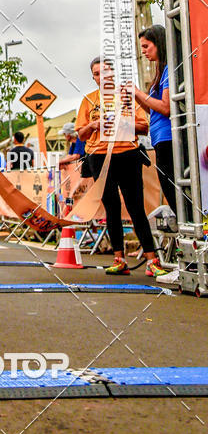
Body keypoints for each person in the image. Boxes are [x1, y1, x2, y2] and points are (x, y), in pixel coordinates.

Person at [75, 57, 167, 277]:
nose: (101, 78)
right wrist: (93, 124)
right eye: (97, 74)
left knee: (136, 207)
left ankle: (151, 260)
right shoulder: (88, 100)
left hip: (127, 154)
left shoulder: (127, 97)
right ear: (94, 77)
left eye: (105, 73)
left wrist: (121, 123)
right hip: (99, 157)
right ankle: (119, 259)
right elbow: (80, 133)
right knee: (111, 207)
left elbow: (144, 126)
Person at [133, 25, 177, 214]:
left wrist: (138, 93)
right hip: (159, 137)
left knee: (171, 186)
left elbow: (166, 107)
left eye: (146, 46)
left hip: (168, 137)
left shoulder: (169, 70)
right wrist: (137, 96)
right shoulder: (159, 73)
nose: (143, 52)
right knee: (167, 185)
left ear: (158, 43)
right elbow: (153, 110)